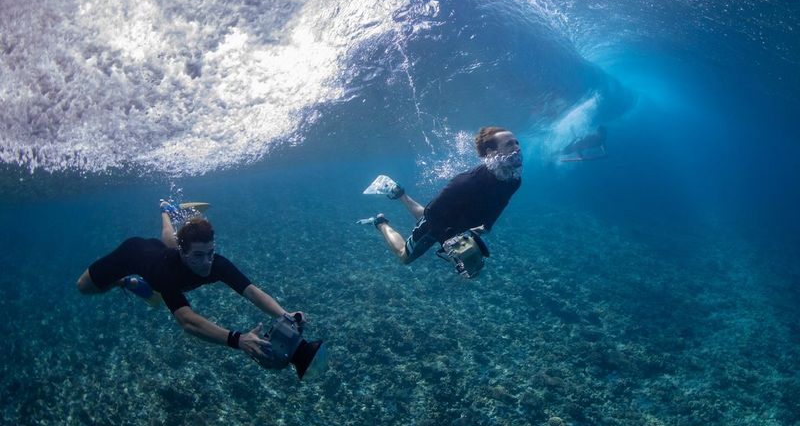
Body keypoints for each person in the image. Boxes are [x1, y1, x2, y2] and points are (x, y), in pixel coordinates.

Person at [76, 202, 304, 367]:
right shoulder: (165, 270)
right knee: (85, 288)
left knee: (168, 240)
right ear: (183, 254)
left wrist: (285, 315)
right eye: (197, 256)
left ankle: (166, 209)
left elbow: (252, 292)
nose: (206, 263)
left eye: (210, 252)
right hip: (132, 254)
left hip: (163, 254)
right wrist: (238, 340)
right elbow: (187, 321)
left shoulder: (216, 264)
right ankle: (125, 281)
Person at [360, 126, 522, 265]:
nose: (517, 147)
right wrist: (447, 241)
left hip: (455, 220)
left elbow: (502, 202)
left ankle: (398, 192)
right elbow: (431, 213)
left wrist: (487, 225)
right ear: (491, 152)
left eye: (517, 142)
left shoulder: (514, 180)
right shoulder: (466, 181)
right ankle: (380, 222)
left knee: (426, 220)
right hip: (438, 220)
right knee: (405, 257)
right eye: (509, 144)